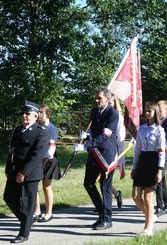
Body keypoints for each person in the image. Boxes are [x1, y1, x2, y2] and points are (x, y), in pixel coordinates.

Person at [3, 101, 50, 243]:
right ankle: (27, 221)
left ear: (36, 116)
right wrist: (7, 168)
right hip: (14, 170)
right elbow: (12, 151)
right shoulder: (18, 130)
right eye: (23, 113)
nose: (24, 116)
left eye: (27, 114)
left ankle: (24, 234)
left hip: (30, 174)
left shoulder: (41, 132)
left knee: (27, 205)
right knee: (8, 197)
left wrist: (23, 173)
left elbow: (37, 156)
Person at [75, 86, 119, 230]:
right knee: (88, 183)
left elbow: (104, 135)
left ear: (107, 98)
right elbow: (94, 130)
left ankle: (107, 219)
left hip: (106, 154)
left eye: (99, 98)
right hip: (94, 153)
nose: (96, 100)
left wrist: (86, 146)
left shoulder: (113, 114)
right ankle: (101, 214)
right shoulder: (94, 111)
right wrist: (86, 135)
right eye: (96, 97)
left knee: (105, 186)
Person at [131, 102, 165, 236]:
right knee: (135, 196)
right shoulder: (142, 128)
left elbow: (162, 152)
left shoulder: (159, 130)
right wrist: (134, 167)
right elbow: (137, 149)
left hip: (153, 162)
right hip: (142, 162)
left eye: (149, 111)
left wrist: (160, 170)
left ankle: (148, 229)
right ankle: (150, 216)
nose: (146, 113)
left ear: (155, 113)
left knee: (148, 198)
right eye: (145, 111)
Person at [33, 104, 60, 223]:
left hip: (48, 160)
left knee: (46, 186)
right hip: (37, 160)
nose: (39, 114)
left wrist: (43, 160)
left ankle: (49, 213)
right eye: (38, 112)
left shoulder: (52, 129)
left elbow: (51, 149)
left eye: (41, 112)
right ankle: (37, 211)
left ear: (47, 114)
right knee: (33, 185)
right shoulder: (36, 126)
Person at [154, 100, 167, 217]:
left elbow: (165, 139)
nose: (158, 112)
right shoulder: (156, 121)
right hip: (156, 153)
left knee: (159, 179)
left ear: (166, 111)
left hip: (165, 153)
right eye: (157, 110)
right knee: (162, 181)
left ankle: (160, 207)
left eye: (160, 110)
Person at [109, 95, 125, 208]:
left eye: (111, 103)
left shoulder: (118, 117)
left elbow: (120, 137)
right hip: (100, 149)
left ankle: (105, 205)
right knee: (100, 179)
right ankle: (116, 193)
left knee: (104, 178)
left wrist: (120, 155)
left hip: (112, 150)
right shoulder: (101, 115)